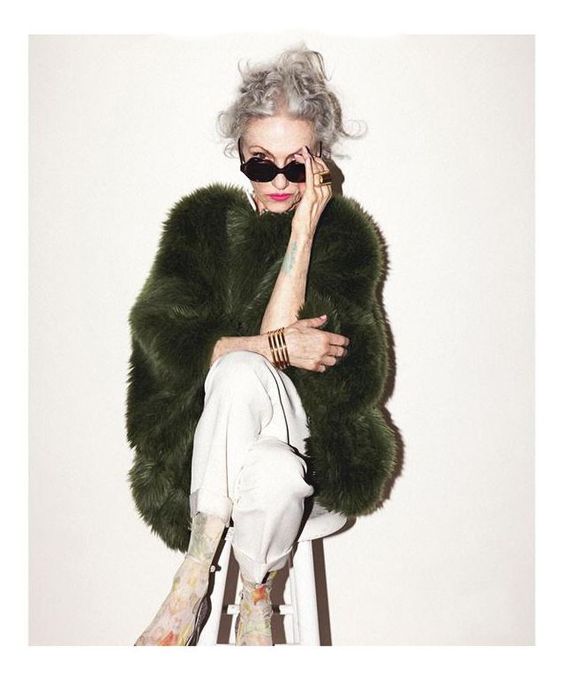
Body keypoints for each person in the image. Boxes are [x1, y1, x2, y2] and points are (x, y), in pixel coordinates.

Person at [126, 44, 399, 646]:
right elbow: (163, 337)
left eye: (295, 166)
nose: (278, 181)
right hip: (207, 437)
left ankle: (190, 584)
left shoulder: (344, 239)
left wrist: (302, 231)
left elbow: (341, 373)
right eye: (261, 164)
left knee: (243, 375)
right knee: (264, 445)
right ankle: (253, 602)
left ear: (319, 162)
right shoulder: (201, 224)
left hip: (310, 437)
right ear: (240, 158)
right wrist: (270, 348)